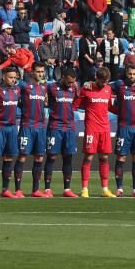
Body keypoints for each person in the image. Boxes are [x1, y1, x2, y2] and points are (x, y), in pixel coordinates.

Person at [73, 67, 116, 198]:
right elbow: (76, 105)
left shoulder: (108, 89)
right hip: (91, 128)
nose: (104, 84)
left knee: (104, 158)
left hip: (105, 128)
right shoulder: (87, 88)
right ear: (96, 77)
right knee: (89, 157)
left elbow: (109, 106)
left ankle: (105, 189)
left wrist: (123, 112)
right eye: (102, 81)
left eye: (106, 81)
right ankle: (84, 189)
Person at [112, 64, 135, 197]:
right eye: (130, 74)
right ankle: (119, 188)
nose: (132, 76)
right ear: (126, 73)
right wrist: (89, 83)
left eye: (134, 74)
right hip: (124, 128)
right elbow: (103, 85)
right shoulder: (118, 85)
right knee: (121, 157)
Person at [0, 66, 23, 197]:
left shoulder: (17, 89)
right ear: (3, 77)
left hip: (12, 128)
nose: (13, 80)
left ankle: (5, 189)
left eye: (14, 78)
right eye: (10, 77)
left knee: (8, 158)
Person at [45, 66, 79, 197]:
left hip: (69, 127)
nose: (71, 84)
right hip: (55, 126)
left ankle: (67, 189)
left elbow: (76, 102)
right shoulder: (51, 87)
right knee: (52, 156)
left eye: (73, 82)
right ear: (63, 78)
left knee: (68, 157)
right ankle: (47, 189)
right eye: (69, 82)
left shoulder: (75, 88)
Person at [17, 62, 50, 197]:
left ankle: (36, 189)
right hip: (27, 126)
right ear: (32, 72)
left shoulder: (44, 88)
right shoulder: (24, 86)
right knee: (22, 156)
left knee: (39, 158)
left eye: (42, 71)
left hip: (41, 127)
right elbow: (10, 84)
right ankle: (18, 190)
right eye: (38, 71)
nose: (40, 74)